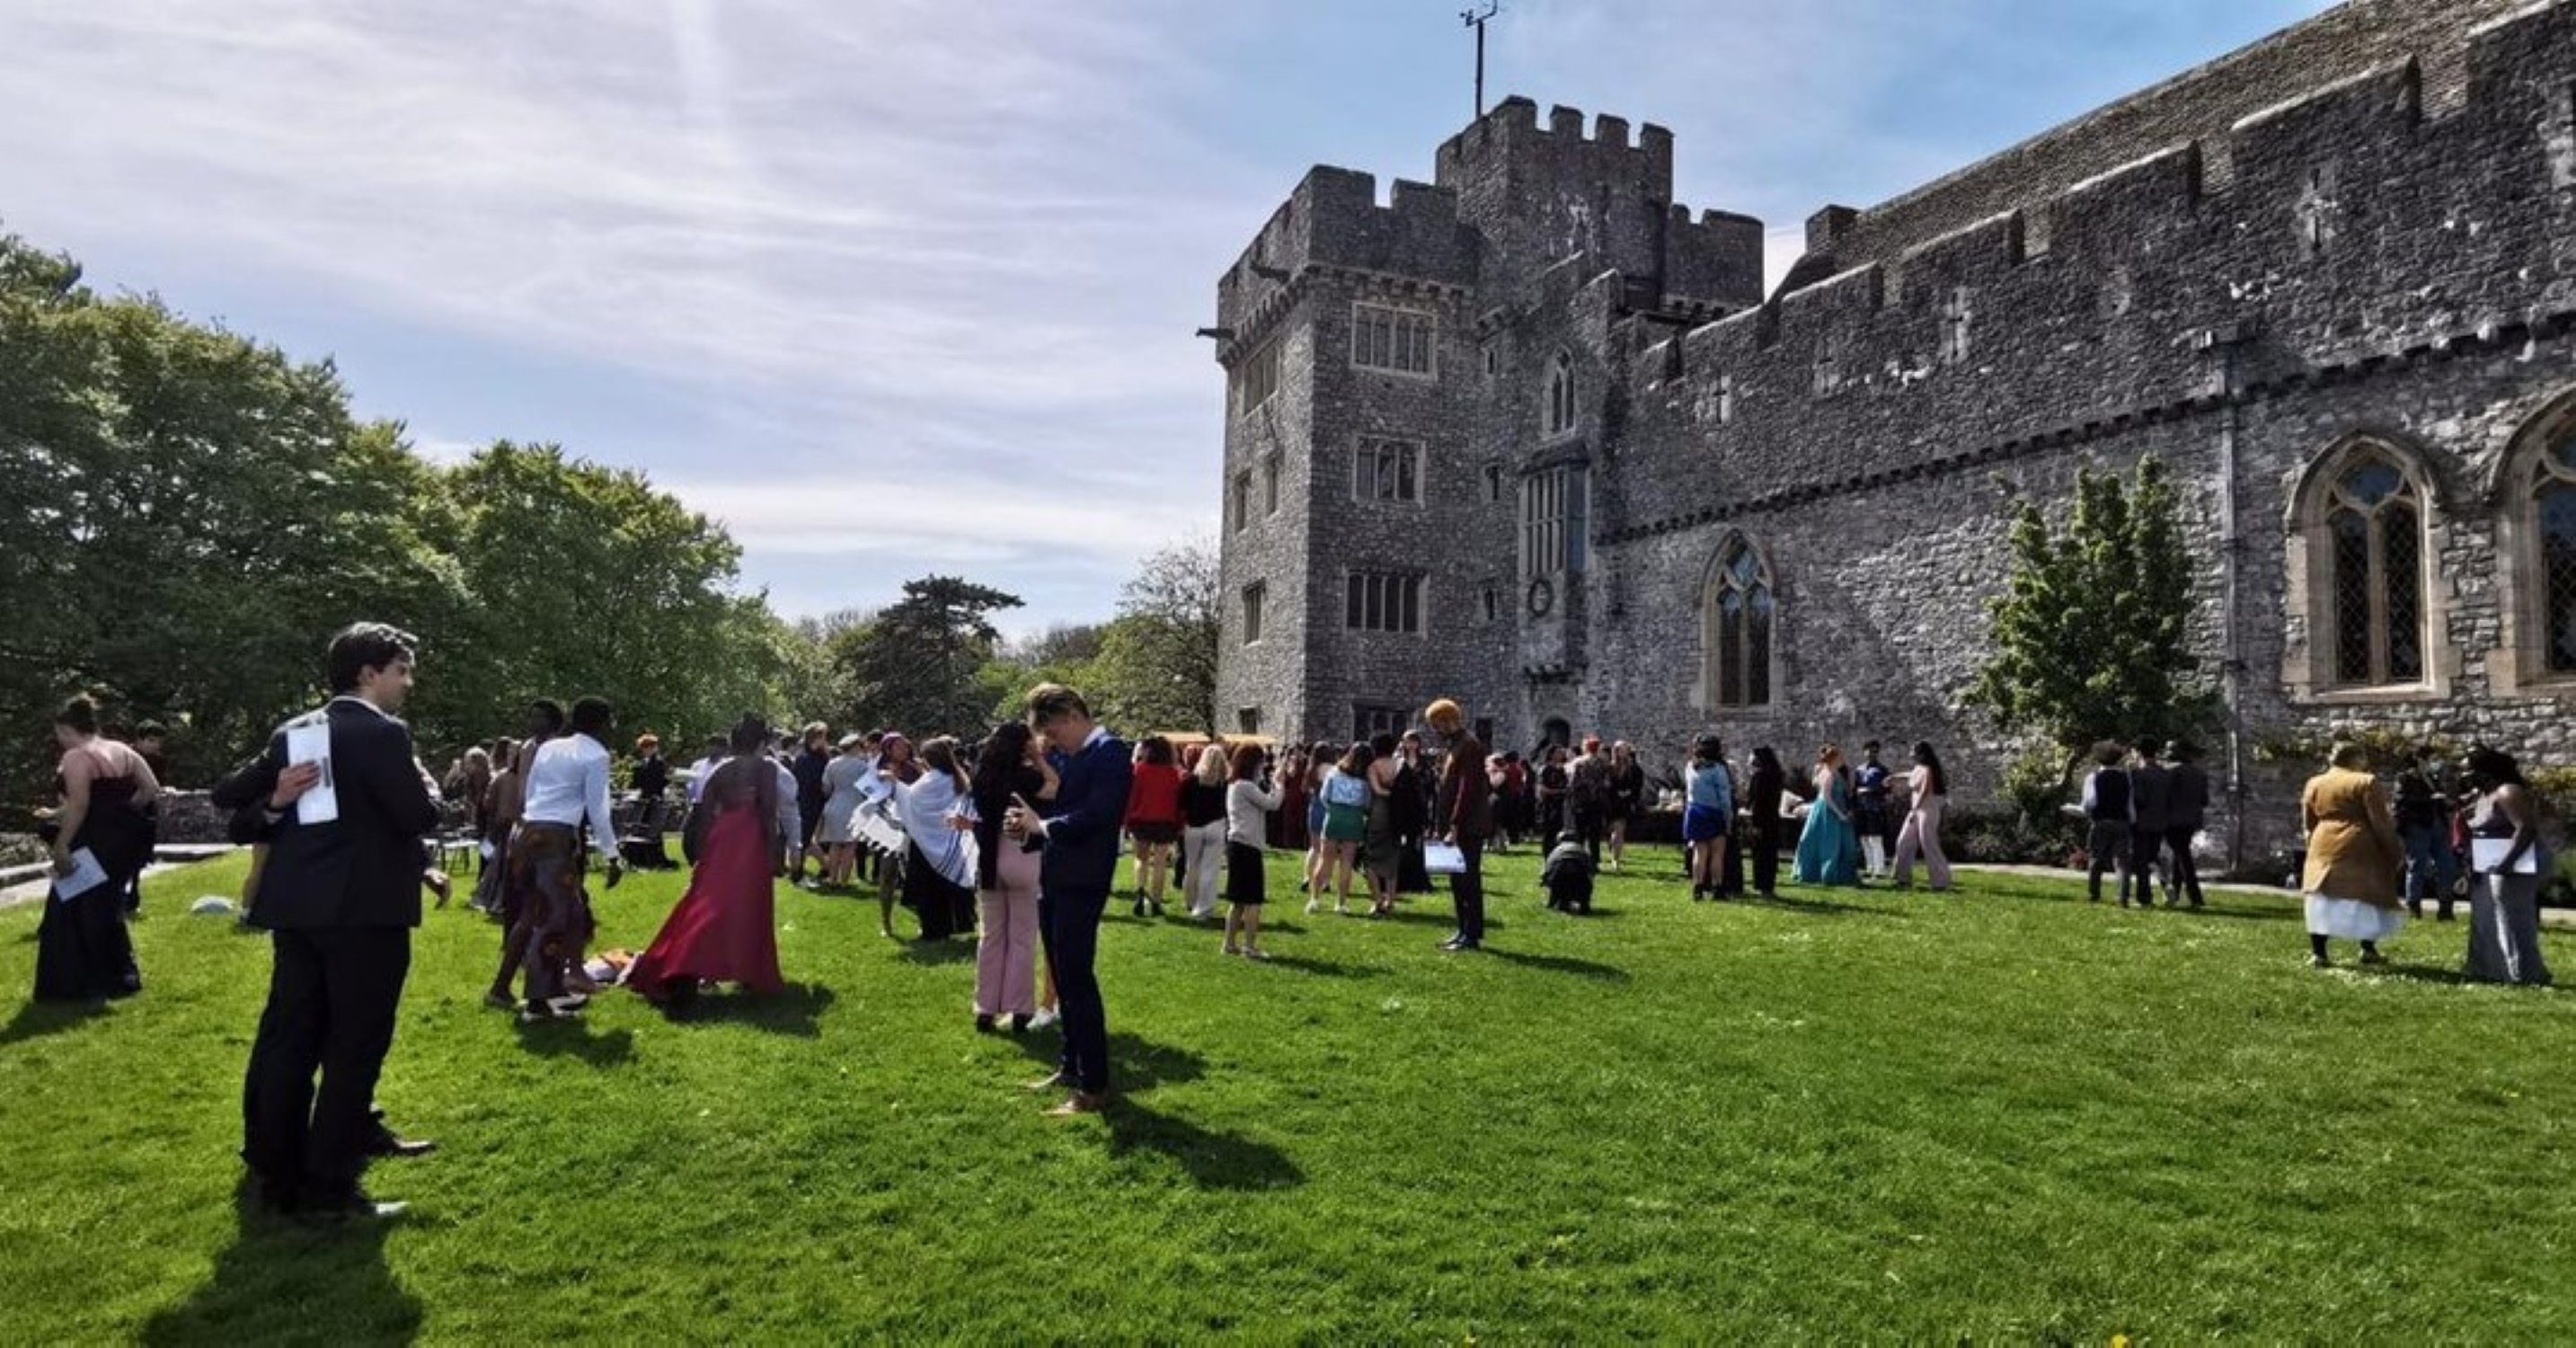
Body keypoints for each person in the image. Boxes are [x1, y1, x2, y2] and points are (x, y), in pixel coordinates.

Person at [227, 623, 444, 1220]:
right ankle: (329, 1186)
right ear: (367, 673)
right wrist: (430, 788)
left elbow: (232, 803)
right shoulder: (381, 734)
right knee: (355, 1043)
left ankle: (274, 1161)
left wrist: (275, 800)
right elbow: (415, 815)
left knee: (288, 1036)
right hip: (364, 912)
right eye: (401, 670)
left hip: (297, 908)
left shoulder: (296, 731)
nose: (407, 683)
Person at [1005, 684, 1132, 1116]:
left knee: (1077, 979)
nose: (1053, 742)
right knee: (1062, 975)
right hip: (1058, 875)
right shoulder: (1080, 756)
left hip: (1083, 879)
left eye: (1055, 732)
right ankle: (1070, 1068)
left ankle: (1093, 1087)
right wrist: (1030, 822)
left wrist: (1043, 827)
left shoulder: (1112, 753)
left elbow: (1098, 815)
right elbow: (1066, 803)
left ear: (1074, 715)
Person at [628, 714, 787, 1006]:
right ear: (761, 742)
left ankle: (691, 963)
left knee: (707, 901)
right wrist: (774, 850)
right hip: (749, 838)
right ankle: (748, 970)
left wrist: (701, 853)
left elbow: (703, 813)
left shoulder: (719, 770)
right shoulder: (765, 768)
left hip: (721, 836)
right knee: (749, 903)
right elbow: (767, 811)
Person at [500, 696, 624, 1020]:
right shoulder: (596, 754)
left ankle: (511, 987)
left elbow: (531, 793)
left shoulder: (550, 748)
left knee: (538, 912)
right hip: (556, 836)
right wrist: (612, 855)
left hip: (527, 833)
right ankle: (541, 998)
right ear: (600, 723)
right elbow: (598, 809)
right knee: (556, 918)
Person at [33, 696, 156, 1001]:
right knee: (108, 904)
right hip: (126, 837)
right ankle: (122, 975)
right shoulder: (122, 750)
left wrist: (61, 845)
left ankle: (85, 983)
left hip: (92, 838)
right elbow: (150, 788)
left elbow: (81, 804)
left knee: (74, 907)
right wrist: (122, 812)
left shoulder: (77, 756)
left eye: (58, 733)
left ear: (65, 728)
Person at [966, 724, 1055, 1029]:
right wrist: (1039, 758)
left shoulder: (981, 776)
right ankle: (1020, 1009)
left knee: (990, 938)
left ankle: (985, 1008)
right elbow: (1054, 786)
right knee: (1022, 938)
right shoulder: (1027, 777)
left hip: (990, 857)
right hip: (1021, 854)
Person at [2300, 741, 2405, 969]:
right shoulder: (2365, 781)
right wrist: (2394, 850)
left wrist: (2311, 845)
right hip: (2358, 840)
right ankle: (2368, 948)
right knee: (2369, 892)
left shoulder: (2315, 782)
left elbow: (2308, 822)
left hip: (2323, 838)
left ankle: (2319, 953)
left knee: (2322, 896)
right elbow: (2380, 822)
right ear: (2357, 759)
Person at [2461, 746, 2553, 986]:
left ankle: (2521, 972)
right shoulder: (2482, 794)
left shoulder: (2508, 791)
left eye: (2469, 771)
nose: (2466, 775)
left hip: (2513, 862)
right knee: (2484, 916)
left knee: (2510, 917)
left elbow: (2525, 829)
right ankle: (2487, 969)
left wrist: (2506, 864)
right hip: (2487, 863)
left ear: (2486, 772)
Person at [893, 737, 978, 943]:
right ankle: (954, 926)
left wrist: (894, 783)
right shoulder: (959, 777)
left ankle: (932, 930)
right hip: (951, 841)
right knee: (949, 886)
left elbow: (911, 801)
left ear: (928, 758)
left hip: (925, 843)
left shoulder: (929, 781)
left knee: (928, 890)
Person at [1426, 698, 1493, 952]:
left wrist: (1455, 823)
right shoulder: (1454, 746)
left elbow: (1468, 790)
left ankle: (1472, 933)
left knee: (1468, 879)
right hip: (1453, 825)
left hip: (1467, 825)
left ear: (1448, 720)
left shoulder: (1470, 746)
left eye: (1436, 724)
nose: (1435, 729)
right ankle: (1462, 929)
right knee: (1457, 879)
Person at [1223, 744, 1285, 958]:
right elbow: (1272, 804)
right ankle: (1250, 946)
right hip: (1248, 846)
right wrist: (1279, 783)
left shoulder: (1235, 785)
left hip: (1237, 844)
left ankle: (1229, 943)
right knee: (1253, 900)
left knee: (1238, 900)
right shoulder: (1245, 787)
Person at [1121, 736, 1183, 918]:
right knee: (1160, 863)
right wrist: (1179, 822)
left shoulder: (1139, 770)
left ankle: (1140, 891)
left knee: (1141, 859)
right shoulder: (1173, 773)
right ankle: (1156, 901)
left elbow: (1133, 796)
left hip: (1141, 819)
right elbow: (1176, 800)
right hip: (1165, 820)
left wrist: (1127, 819)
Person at [1309, 742, 1372, 916]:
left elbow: (1324, 796)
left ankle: (1314, 899)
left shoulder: (1334, 772)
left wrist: (1333, 808)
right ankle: (1341, 903)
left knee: (1324, 860)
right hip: (1354, 817)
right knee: (1346, 862)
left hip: (1334, 815)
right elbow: (1367, 803)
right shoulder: (1364, 780)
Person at [2395, 758, 2460, 922]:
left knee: (2447, 866)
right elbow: (2401, 800)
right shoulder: (2406, 778)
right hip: (2418, 825)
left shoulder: (2434, 778)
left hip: (2438, 825)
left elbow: (2441, 801)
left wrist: (2449, 803)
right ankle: (2413, 907)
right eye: (2430, 758)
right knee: (2417, 865)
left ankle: (2446, 907)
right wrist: (2430, 799)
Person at [1793, 744, 1861, 887]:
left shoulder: (1836, 773)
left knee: (1843, 844)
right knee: (1828, 842)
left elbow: (1845, 791)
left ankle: (1844, 874)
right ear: (1833, 759)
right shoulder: (1827, 774)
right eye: (1839, 757)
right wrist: (1839, 814)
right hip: (1827, 811)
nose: (1842, 759)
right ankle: (1823, 873)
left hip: (1838, 807)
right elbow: (1826, 797)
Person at [1178, 745, 1230, 921]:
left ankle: (1191, 900)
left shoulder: (1190, 780)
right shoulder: (1225, 783)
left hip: (1193, 827)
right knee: (1210, 869)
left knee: (1192, 866)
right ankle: (1204, 906)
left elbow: (1181, 804)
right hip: (1216, 825)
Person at [1892, 741, 1952, 891]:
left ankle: (1940, 881)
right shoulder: (1919, 768)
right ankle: (1902, 878)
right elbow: (1911, 775)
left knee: (1929, 843)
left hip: (1927, 810)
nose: (1910, 752)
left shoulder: (1928, 770)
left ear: (1920, 753)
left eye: (1913, 750)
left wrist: (1914, 810)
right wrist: (1894, 777)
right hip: (1917, 809)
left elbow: (1925, 791)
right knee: (1903, 841)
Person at [2082, 741, 2138, 906]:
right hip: (2121, 821)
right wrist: (2132, 819)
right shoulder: (2125, 778)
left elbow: (2090, 802)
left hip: (2101, 821)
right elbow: (2130, 802)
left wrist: (2085, 812)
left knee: (2096, 858)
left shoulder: (2094, 778)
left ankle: (2094, 893)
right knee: (2122, 862)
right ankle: (2123, 896)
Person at [815, 734, 872, 891]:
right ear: (854, 747)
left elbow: (826, 787)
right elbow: (868, 788)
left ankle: (832, 879)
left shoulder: (832, 764)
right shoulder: (862, 765)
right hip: (854, 804)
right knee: (850, 846)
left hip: (835, 803)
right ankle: (844, 881)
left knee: (835, 844)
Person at [1683, 734, 1734, 902]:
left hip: (1694, 810)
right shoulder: (1718, 769)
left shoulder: (1691, 767)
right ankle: (1717, 886)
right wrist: (1728, 819)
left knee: (1699, 852)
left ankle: (1697, 886)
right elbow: (1725, 798)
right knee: (1717, 853)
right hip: (1714, 811)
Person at [1360, 732, 1403, 918]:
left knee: (1370, 858)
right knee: (1392, 856)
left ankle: (1378, 899)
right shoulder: (1400, 764)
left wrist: (1389, 794)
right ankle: (1391, 901)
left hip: (1379, 812)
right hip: (1397, 814)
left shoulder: (1374, 766)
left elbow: (1377, 790)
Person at [2164, 741, 2210, 909]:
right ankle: (2175, 891)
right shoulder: (2200, 774)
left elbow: (2164, 796)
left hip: (2173, 820)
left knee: (2183, 856)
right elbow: (2204, 801)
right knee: (2180, 854)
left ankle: (2195, 895)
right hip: (2191, 820)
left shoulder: (2171, 772)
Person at [2129, 741, 2174, 899]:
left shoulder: (2139, 774)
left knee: (2142, 860)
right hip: (2161, 821)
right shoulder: (2165, 774)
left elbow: (2139, 799)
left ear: (2139, 753)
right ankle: (2166, 884)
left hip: (2143, 822)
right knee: (2152, 857)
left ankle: (2144, 896)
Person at [1393, 732, 1435, 894]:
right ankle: (1400, 879)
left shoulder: (1424, 762)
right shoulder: (1397, 760)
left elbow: (1430, 784)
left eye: (1414, 741)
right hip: (1401, 806)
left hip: (1418, 806)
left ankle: (1418, 880)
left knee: (1416, 844)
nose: (1411, 745)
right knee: (1400, 844)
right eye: (1408, 741)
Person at [790, 723, 832, 882]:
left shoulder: (822, 758)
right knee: (805, 838)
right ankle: (826, 866)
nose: (825, 740)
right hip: (803, 800)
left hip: (814, 801)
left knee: (804, 838)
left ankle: (798, 872)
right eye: (822, 736)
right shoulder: (804, 757)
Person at [1747, 748, 1786, 900]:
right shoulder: (1776, 776)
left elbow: (1756, 801)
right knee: (1770, 853)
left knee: (1760, 853)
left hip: (1761, 819)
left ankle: (1761, 885)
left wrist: (1755, 822)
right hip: (1773, 818)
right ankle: (1768, 885)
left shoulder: (1759, 776)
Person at [1569, 736, 1612, 865]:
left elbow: (1573, 783)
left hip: (1581, 801)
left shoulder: (1578, 762)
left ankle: (1578, 858)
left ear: (1585, 747)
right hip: (1597, 802)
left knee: (1580, 833)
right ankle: (1594, 860)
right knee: (1595, 833)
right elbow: (1608, 783)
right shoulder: (1604, 764)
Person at [1854, 741, 1894, 879]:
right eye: (1869, 751)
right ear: (1864, 752)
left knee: (1875, 838)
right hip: (1861, 808)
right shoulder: (1859, 770)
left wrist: (1870, 790)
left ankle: (1879, 869)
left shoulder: (1883, 770)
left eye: (1875, 752)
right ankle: (1869, 867)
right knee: (1864, 838)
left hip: (1875, 807)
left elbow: (1888, 789)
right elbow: (1855, 788)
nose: (1872, 754)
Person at [1606, 741, 1646, 872]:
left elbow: (1638, 784)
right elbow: (1606, 784)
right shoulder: (1610, 767)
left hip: (1624, 803)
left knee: (1619, 829)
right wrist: (1614, 791)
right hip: (1610, 802)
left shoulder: (1633, 769)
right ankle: (1613, 849)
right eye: (1620, 750)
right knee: (1612, 830)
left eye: (1625, 750)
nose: (1622, 753)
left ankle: (1615, 859)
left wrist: (1629, 793)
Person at [1542, 833, 1597, 915]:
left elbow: (1547, 871)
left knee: (1557, 878)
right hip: (1580, 881)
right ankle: (1584, 905)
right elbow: (1591, 871)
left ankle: (1559, 901)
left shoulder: (1556, 850)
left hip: (1560, 879)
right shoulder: (1581, 849)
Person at [1535, 743, 1571, 854]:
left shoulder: (1561, 770)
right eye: (1558, 752)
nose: (1561, 755)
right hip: (1548, 805)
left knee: (1557, 831)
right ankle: (1547, 854)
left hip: (1560, 804)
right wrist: (1559, 792)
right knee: (1549, 832)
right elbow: (1542, 789)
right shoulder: (1545, 769)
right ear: (1551, 754)